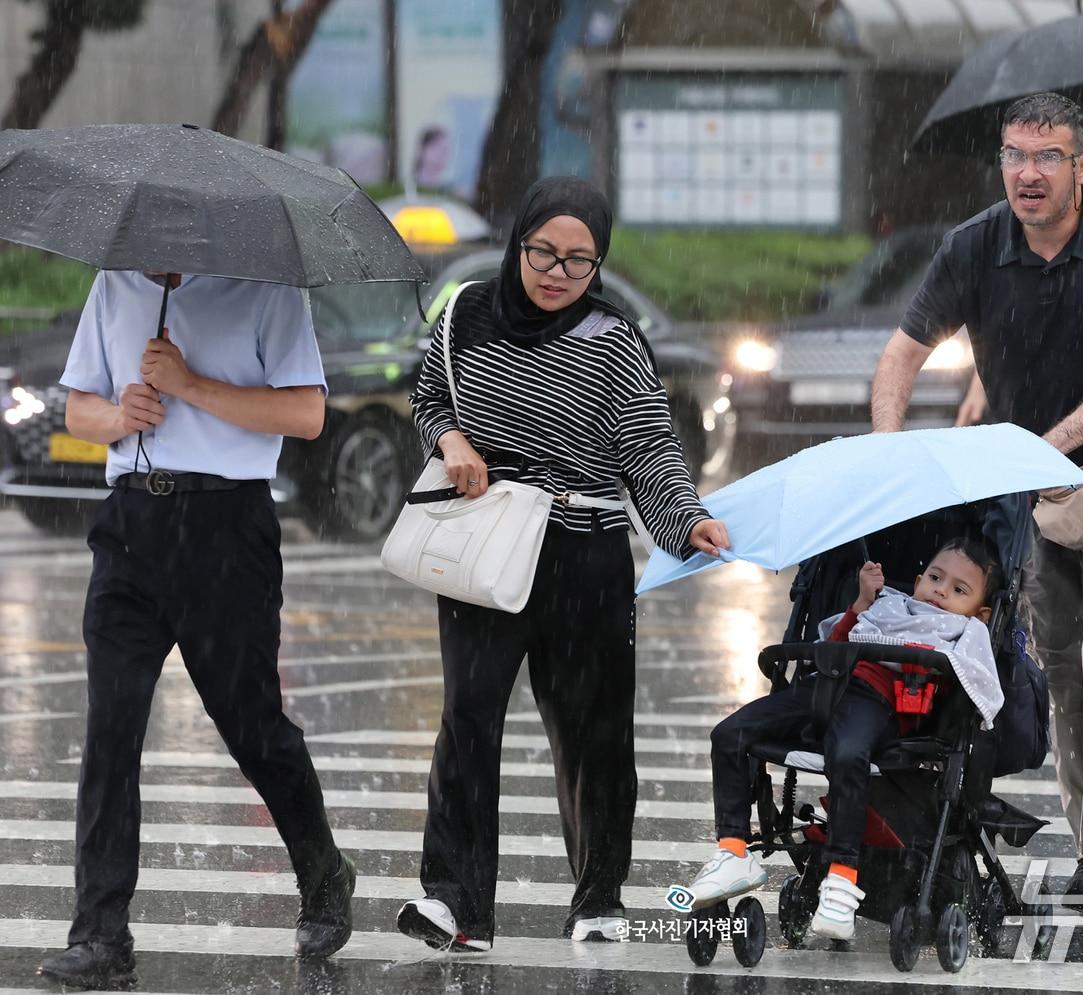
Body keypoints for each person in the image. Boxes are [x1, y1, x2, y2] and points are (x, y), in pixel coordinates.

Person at [871, 92, 1083, 915]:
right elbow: (902, 355)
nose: (1028, 172)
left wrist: (1048, 443)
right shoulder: (974, 247)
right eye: (1015, 155)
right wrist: (889, 449)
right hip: (1038, 488)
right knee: (1055, 665)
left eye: (1048, 156)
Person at [397, 176, 730, 952]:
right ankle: (456, 902)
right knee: (467, 719)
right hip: (485, 539)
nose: (557, 271)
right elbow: (428, 397)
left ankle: (599, 898)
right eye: (544, 250)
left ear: (599, 265)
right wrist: (451, 443)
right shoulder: (465, 315)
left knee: (594, 734)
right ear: (519, 241)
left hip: (585, 552)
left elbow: (648, 448)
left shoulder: (614, 339)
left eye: (580, 260)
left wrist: (689, 519)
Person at [38, 272, 354, 990]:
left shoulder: (268, 285)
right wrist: (121, 416)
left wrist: (188, 383)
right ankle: (100, 932)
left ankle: (324, 869)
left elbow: (306, 413)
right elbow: (79, 408)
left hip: (227, 528)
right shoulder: (114, 284)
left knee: (252, 725)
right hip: (130, 526)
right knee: (110, 731)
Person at [688, 538, 1004, 940]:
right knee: (729, 734)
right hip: (827, 686)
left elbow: (979, 688)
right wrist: (860, 605)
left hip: (881, 699)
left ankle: (841, 877)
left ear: (981, 610)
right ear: (919, 579)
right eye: (936, 579)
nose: (941, 591)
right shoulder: (888, 604)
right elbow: (832, 647)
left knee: (847, 754)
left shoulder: (967, 629)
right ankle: (733, 848)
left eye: (959, 590)